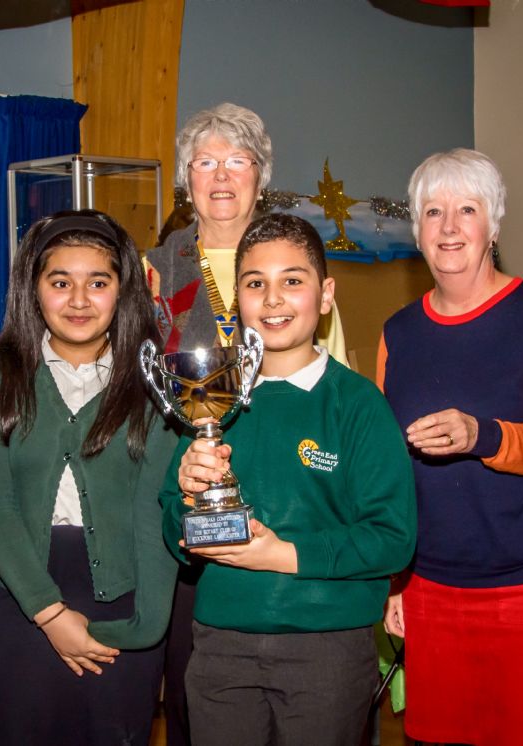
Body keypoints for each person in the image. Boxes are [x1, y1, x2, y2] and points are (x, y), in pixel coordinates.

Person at [162, 213, 416, 746]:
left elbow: (393, 539)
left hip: (327, 650)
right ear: (238, 300)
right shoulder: (211, 398)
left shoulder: (358, 404)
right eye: (256, 284)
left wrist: (285, 555)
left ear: (325, 296)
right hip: (220, 649)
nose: (273, 299)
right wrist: (186, 495)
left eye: (292, 281)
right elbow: (173, 527)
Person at [146, 102, 350, 745]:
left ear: (262, 176)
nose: (222, 175)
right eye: (205, 162)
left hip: (296, 499)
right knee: (198, 693)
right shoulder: (156, 271)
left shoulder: (294, 261)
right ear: (187, 180)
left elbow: (335, 385)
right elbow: (137, 384)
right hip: (185, 494)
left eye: (239, 160)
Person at [379, 148, 523, 746]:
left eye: (467, 209)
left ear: (494, 223)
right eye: (432, 211)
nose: (448, 226)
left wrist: (481, 434)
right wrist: (395, 582)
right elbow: (393, 470)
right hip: (432, 591)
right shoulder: (399, 332)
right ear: (417, 230)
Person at [0, 210, 178, 746]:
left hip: (126, 596)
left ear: (122, 291)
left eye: (97, 283)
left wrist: (150, 624)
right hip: (19, 594)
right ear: (34, 291)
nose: (79, 300)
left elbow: (159, 511)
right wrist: (49, 612)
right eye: (60, 282)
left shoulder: (155, 384)